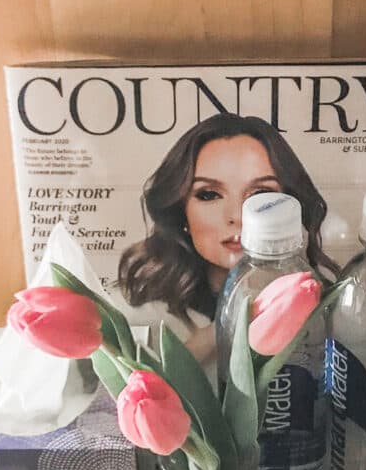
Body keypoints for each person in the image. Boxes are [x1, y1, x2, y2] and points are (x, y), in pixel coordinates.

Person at [118, 112, 339, 333]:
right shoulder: (146, 313)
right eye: (209, 194)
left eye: (260, 194)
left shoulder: (329, 308)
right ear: (180, 210)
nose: (238, 216)